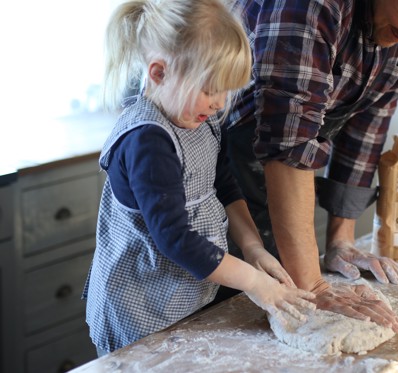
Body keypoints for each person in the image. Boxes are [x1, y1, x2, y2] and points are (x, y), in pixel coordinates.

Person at [223, 0, 398, 323]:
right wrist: (314, 286)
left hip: (278, 179)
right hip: (213, 176)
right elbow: (289, 144)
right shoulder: (311, 5)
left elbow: (364, 130)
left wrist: (341, 241)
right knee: (225, 310)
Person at [82, 0, 316, 356]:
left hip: (179, 299)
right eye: (210, 89)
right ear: (159, 73)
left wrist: (253, 249)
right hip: (137, 310)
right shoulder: (147, 141)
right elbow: (176, 239)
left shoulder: (199, 120)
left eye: (226, 90)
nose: (220, 103)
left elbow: (224, 186)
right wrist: (255, 284)